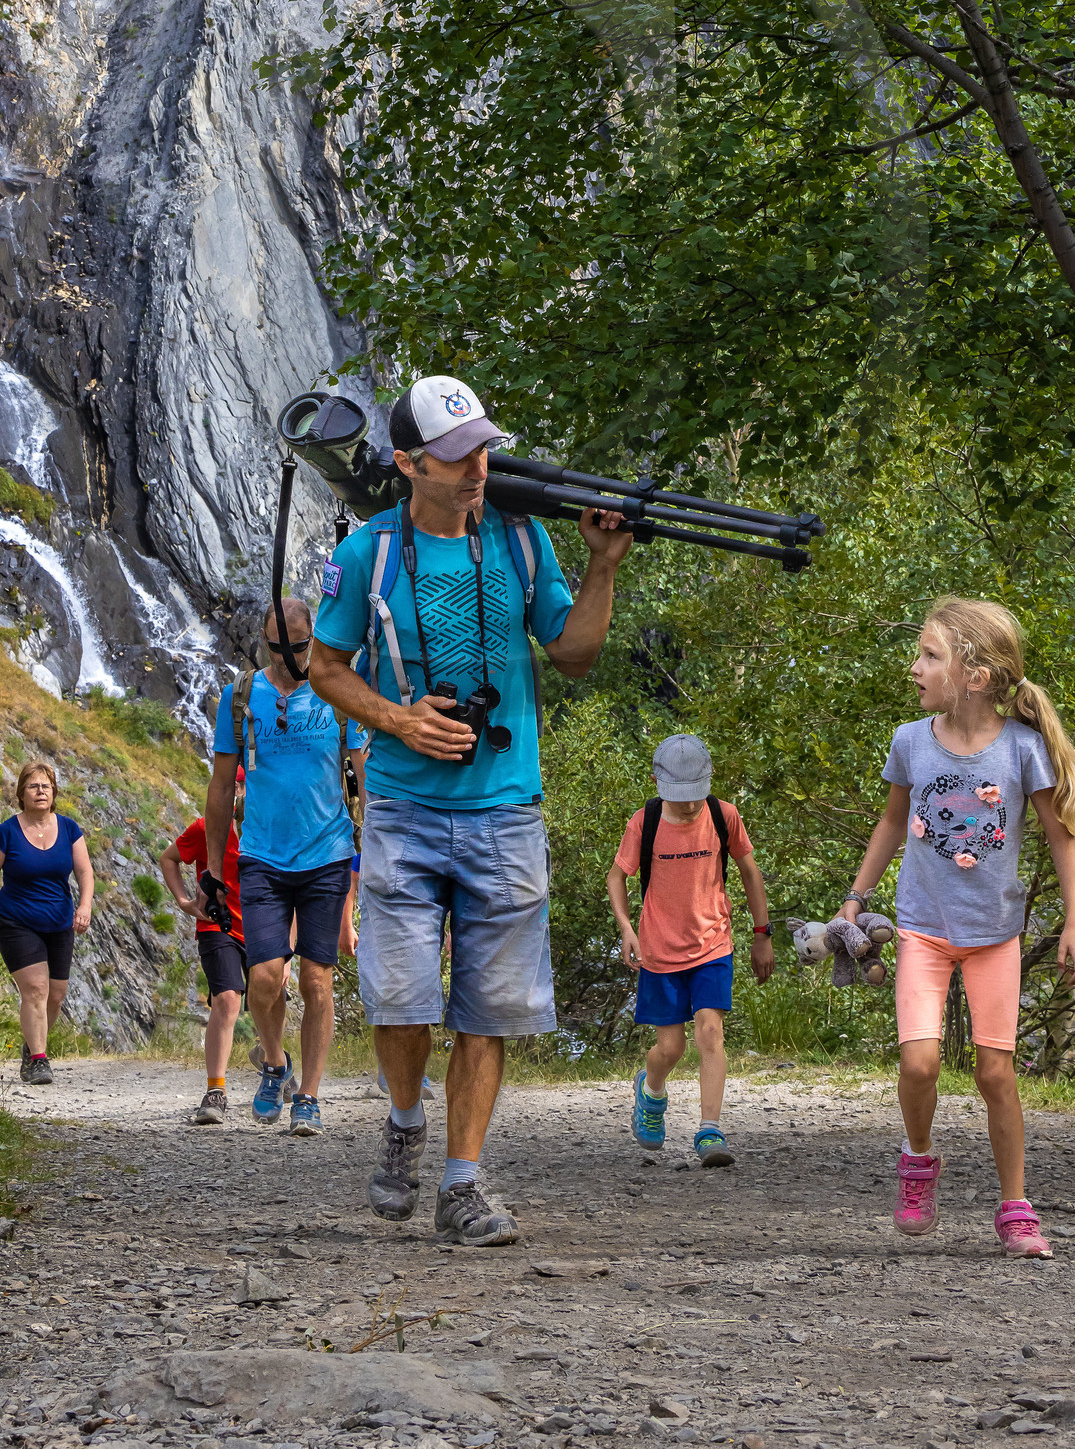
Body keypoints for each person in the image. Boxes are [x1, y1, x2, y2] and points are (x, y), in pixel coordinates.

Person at [309, 373, 632, 1246]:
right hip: (405, 809)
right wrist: (397, 718)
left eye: (484, 447)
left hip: (506, 810)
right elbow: (326, 666)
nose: (480, 467)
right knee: (402, 1001)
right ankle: (405, 1121)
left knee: (489, 1008)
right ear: (409, 464)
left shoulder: (522, 542)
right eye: (457, 456)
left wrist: (602, 566)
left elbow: (570, 653)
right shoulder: (366, 555)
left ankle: (462, 1182)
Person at [834, 595, 1075, 1258]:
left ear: (974, 675)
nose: (914, 667)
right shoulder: (909, 742)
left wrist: (1074, 924)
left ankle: (1016, 1207)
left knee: (994, 1075)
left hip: (994, 936)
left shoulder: (1023, 751)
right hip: (922, 927)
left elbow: (1063, 839)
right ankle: (918, 1161)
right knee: (919, 1064)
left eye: (929, 655)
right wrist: (855, 900)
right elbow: (893, 822)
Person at [204, 597, 368, 1139]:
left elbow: (365, 781)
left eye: (298, 646)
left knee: (318, 980)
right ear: (264, 642)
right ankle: (275, 1062)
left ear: (314, 639)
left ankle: (310, 1096)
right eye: (276, 647)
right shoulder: (241, 698)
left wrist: (369, 860)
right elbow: (222, 787)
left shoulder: (338, 692)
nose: (288, 657)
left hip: (327, 855)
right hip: (262, 859)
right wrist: (211, 868)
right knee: (265, 979)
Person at [607, 732, 775, 1166]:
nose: (688, 805)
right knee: (671, 1049)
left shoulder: (724, 815)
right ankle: (651, 1090)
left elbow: (750, 873)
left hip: (713, 944)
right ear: (658, 783)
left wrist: (762, 934)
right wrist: (627, 928)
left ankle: (709, 1131)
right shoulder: (643, 823)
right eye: (679, 797)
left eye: (695, 794)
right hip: (659, 951)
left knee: (710, 1032)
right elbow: (616, 877)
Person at [0, 761, 95, 1084]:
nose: (40, 791)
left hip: (59, 921)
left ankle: (32, 1044)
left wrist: (85, 905)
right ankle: (38, 1059)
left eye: (46, 786)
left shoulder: (69, 829)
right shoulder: (6, 833)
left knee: (56, 995)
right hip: (16, 920)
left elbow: (85, 872)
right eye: (33, 786)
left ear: (54, 792)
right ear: (21, 793)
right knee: (35, 989)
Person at [160, 771, 247, 1123]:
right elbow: (169, 858)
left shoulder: (270, 831)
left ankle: (276, 1065)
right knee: (227, 1000)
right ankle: (215, 1091)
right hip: (217, 925)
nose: (238, 793)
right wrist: (183, 900)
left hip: (261, 928)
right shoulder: (204, 829)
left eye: (243, 786)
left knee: (270, 1002)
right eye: (234, 786)